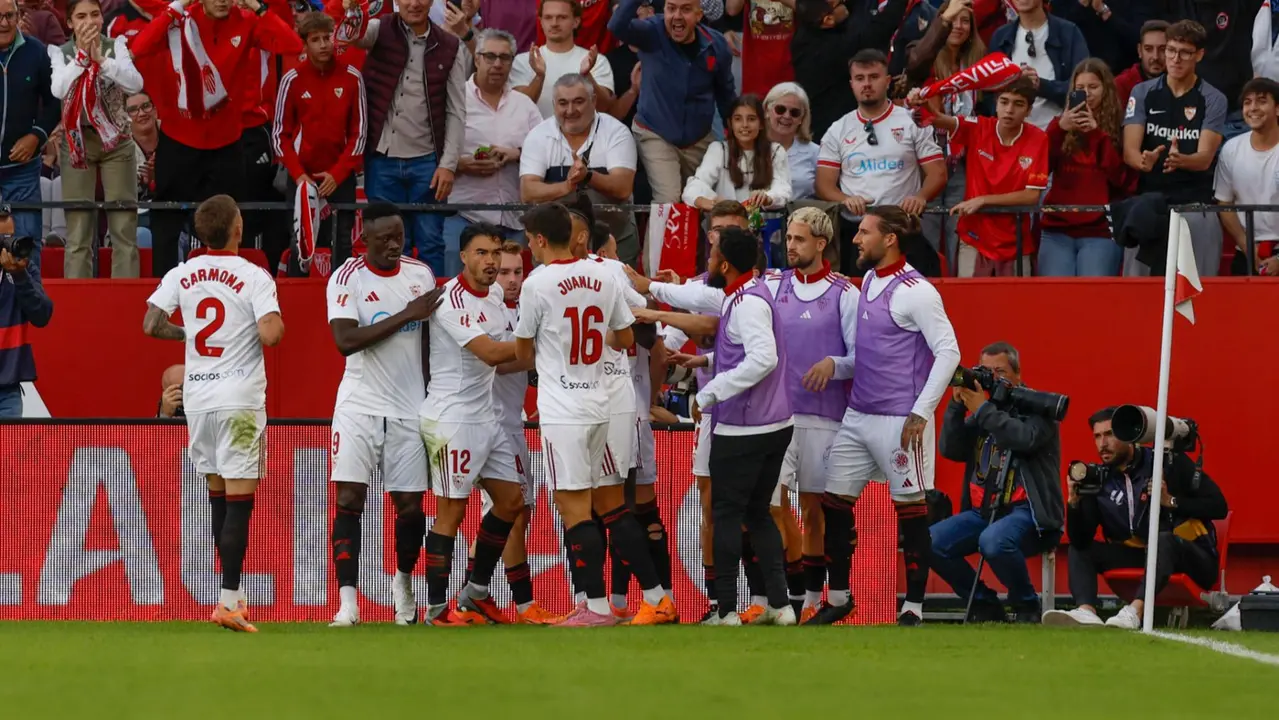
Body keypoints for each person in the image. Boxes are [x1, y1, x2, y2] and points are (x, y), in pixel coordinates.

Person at [513, 201, 670, 627]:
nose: (529, 247)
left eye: (529, 240)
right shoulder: (605, 274)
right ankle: (657, 597)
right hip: (605, 403)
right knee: (613, 505)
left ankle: (596, 607)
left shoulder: (537, 283)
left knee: (574, 509)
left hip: (564, 409)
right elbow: (623, 338)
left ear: (541, 240)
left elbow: (523, 351)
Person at [803, 205, 961, 626]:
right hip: (859, 415)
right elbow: (869, 355)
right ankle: (839, 597)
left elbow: (950, 352)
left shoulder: (918, 292)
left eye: (865, 232)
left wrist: (921, 412)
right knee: (834, 504)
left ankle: (913, 608)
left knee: (910, 512)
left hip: (898, 421)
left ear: (890, 239)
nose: (855, 239)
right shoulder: (870, 280)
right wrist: (836, 365)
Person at [630, 226, 796, 626]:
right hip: (774, 424)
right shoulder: (744, 294)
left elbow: (763, 359)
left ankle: (725, 610)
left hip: (744, 427)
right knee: (758, 513)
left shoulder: (745, 304)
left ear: (724, 264)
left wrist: (709, 392)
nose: (706, 263)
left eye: (711, 256)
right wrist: (704, 363)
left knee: (725, 514)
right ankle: (782, 605)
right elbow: (698, 298)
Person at [142, 194, 285, 632]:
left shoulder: (183, 274)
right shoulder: (254, 275)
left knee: (220, 498)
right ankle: (227, 603)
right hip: (239, 398)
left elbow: (150, 323)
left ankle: (232, 596)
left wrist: (190, 334)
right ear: (238, 229)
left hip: (198, 399)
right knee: (240, 504)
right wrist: (264, 325)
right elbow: (272, 334)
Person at [324, 203, 442, 628]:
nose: (394, 245)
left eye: (399, 236)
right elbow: (345, 340)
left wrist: (432, 394)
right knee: (349, 498)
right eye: (385, 239)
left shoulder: (420, 274)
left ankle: (403, 583)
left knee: (410, 507)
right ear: (365, 239)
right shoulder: (346, 279)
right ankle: (348, 602)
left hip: (411, 406)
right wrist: (407, 314)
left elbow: (429, 342)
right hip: (359, 404)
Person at [128, 0, 301, 277]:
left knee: (229, 223)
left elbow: (292, 45)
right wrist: (175, 8)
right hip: (179, 141)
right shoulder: (181, 20)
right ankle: (164, 291)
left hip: (227, 145)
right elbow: (138, 49)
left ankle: (228, 285)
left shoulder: (246, 21)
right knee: (167, 223)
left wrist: (258, 7)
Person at [418, 222, 534, 626]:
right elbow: (488, 352)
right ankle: (435, 609)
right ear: (463, 256)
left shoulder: (497, 299)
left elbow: (509, 357)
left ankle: (476, 592)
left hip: (487, 417)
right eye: (482, 253)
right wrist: (548, 344)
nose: (491, 261)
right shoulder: (450, 301)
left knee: (511, 502)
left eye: (496, 253)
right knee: (451, 511)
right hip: (452, 419)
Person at [1042, 407, 1228, 629]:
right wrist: (1073, 503)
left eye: (1110, 434)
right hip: (1142, 555)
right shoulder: (1099, 479)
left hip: (1191, 558)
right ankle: (1086, 612)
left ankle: (1135, 611)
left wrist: (1170, 501)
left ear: (1129, 435)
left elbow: (1219, 506)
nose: (1103, 443)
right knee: (1081, 549)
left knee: (1164, 539)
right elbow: (1081, 540)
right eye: (1097, 436)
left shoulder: (1167, 463)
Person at [463, 239, 564, 625]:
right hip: (486, 424)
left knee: (512, 512)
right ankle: (516, 603)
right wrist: (546, 349)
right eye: (503, 272)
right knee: (510, 509)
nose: (511, 279)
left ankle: (477, 595)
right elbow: (495, 364)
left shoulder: (524, 310)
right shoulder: (484, 310)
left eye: (518, 272)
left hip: (511, 419)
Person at [931, 342, 1063, 624]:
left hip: (1029, 513)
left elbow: (1023, 438)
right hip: (984, 512)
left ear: (1017, 373)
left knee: (993, 541)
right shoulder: (984, 412)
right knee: (928, 542)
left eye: (1000, 371)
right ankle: (984, 603)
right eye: (985, 371)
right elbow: (950, 449)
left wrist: (982, 410)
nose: (992, 377)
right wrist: (956, 406)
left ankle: (1027, 605)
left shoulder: (1039, 408)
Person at [348, 0, 470, 275]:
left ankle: (431, 311)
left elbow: (456, 111)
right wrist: (352, 8)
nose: (414, 3)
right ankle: (391, 307)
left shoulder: (450, 46)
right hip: (382, 158)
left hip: (428, 162)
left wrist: (448, 164)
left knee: (430, 243)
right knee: (386, 243)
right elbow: (352, 36)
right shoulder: (380, 29)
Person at [816, 49, 945, 274]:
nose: (866, 84)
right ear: (851, 84)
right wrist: (846, 199)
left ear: (887, 81)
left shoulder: (912, 120)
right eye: (860, 78)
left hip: (902, 230)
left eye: (874, 77)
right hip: (857, 234)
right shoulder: (837, 129)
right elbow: (823, 184)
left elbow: (938, 173)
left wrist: (920, 197)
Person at [910, 78, 1048, 277]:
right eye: (1004, 102)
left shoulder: (1038, 138)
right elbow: (934, 118)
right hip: (974, 238)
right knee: (970, 304)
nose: (1009, 110)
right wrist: (921, 102)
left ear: (1028, 111)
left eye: (1018, 104)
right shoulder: (978, 127)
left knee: (1016, 307)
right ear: (996, 104)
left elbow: (1031, 196)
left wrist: (982, 200)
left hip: (1016, 242)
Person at [1122, 20, 1226, 278]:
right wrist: (1143, 161)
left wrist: (1181, 160)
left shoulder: (1213, 98)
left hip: (1194, 205)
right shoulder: (1142, 92)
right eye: (1170, 50)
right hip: (1149, 205)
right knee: (1138, 294)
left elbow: (1204, 159)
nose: (1175, 59)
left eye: (1184, 52)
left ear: (1199, 55)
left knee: (1195, 295)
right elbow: (1130, 152)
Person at [49, 0, 143, 279]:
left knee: (123, 225)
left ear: (102, 20)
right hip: (77, 142)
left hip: (116, 141)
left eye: (94, 14)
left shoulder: (117, 46)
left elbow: (135, 84)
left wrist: (101, 61)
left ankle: (125, 296)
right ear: (70, 23)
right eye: (81, 16)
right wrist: (81, 58)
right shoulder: (60, 52)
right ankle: (79, 298)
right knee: (78, 228)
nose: (89, 21)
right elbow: (58, 89)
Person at [608, 0, 736, 204]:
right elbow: (617, 25)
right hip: (655, 132)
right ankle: (657, 237)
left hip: (699, 138)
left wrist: (735, 137)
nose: (677, 15)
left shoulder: (717, 44)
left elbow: (726, 94)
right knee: (668, 201)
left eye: (685, 9)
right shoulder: (651, 32)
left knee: (705, 200)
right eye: (671, 8)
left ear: (699, 14)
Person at [273, 11, 366, 278]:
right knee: (299, 245)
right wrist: (299, 175)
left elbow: (359, 134)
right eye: (316, 39)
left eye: (327, 37)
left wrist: (337, 175)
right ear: (305, 43)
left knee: (343, 245)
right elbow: (280, 135)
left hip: (339, 178)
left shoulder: (352, 78)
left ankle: (342, 301)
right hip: (302, 177)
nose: (324, 44)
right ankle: (294, 305)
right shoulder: (291, 79)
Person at [444, 28, 541, 277]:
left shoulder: (524, 105)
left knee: (511, 299)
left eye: (505, 58)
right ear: (476, 58)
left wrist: (516, 154)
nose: (497, 64)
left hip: (513, 221)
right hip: (465, 216)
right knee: (457, 294)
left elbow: (546, 152)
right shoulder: (454, 99)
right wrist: (461, 165)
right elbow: (429, 151)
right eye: (490, 56)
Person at [519, 74, 639, 264]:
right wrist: (566, 186)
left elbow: (623, 188)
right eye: (563, 103)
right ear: (554, 104)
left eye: (578, 102)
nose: (570, 110)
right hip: (554, 244)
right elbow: (527, 191)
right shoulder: (538, 135)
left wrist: (588, 176)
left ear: (593, 101)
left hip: (612, 240)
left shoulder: (616, 131)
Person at [907, 0, 985, 268]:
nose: (959, 27)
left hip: (963, 163)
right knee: (925, 234)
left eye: (966, 21)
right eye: (952, 20)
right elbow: (913, 68)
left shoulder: (977, 64)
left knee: (957, 234)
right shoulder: (923, 58)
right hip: (926, 162)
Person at [1039, 58, 1130, 277]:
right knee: (1055, 301)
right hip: (1057, 228)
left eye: (1093, 87)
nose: (1087, 93)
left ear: (1105, 89)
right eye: (1080, 88)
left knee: (1093, 302)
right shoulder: (1058, 126)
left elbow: (1121, 178)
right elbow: (1041, 168)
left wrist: (1096, 135)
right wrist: (1059, 129)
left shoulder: (1121, 127)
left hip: (1100, 231)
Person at [790, 0, 910, 140]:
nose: (844, 2)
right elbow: (882, 26)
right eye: (839, 2)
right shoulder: (834, 48)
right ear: (828, 19)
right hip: (832, 137)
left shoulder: (807, 33)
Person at [0, 0, 60, 268]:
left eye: (10, 16)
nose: (4, 23)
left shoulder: (36, 52)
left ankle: (31, 307)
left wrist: (37, 135)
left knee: (27, 243)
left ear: (19, 15)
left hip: (22, 169)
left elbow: (54, 102)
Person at [987, 0, 1089, 130]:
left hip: (1058, 134)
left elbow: (1083, 87)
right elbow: (989, 91)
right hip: (1012, 138)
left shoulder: (1069, 33)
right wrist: (1012, 81)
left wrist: (1040, 85)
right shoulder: (1000, 36)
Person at [683, 93, 792, 211]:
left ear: (761, 124)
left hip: (763, 223)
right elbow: (695, 186)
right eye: (738, 119)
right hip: (727, 224)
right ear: (730, 124)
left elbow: (783, 190)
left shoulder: (775, 151)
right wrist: (713, 201)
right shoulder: (719, 149)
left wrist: (768, 198)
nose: (744, 125)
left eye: (751, 119)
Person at [1215, 78, 1279, 276]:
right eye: (1247, 102)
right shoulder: (1231, 149)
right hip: (1246, 252)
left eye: (1261, 101)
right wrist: (1247, 246)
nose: (1253, 108)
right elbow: (1224, 203)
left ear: (1278, 109)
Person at [510, 0, 616, 119]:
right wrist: (539, 77)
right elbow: (518, 108)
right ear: (541, 22)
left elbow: (603, 107)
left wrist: (587, 76)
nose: (554, 23)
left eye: (562, 17)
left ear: (576, 22)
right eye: (548, 17)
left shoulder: (597, 61)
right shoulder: (523, 61)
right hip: (535, 136)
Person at [0, 207, 52, 418]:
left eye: (10, 238)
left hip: (7, 391)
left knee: (8, 452)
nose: (7, 245)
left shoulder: (24, 270)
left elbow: (42, 315)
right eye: (2, 239)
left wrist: (20, 277)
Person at [764, 82, 817, 200]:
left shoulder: (815, 152)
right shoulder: (750, 146)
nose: (787, 116)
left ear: (801, 119)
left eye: (795, 113)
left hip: (802, 215)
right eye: (780, 109)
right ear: (767, 111)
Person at [126, 91, 158, 249]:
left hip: (170, 209)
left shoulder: (172, 137)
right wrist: (142, 183)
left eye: (146, 106)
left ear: (154, 109)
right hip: (136, 214)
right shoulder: (119, 145)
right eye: (133, 110)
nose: (141, 114)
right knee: (141, 236)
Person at [1115, 20, 1167, 106]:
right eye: (1148, 49)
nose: (1155, 57)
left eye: (1162, 49)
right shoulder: (1121, 85)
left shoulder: (1185, 84)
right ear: (1139, 51)